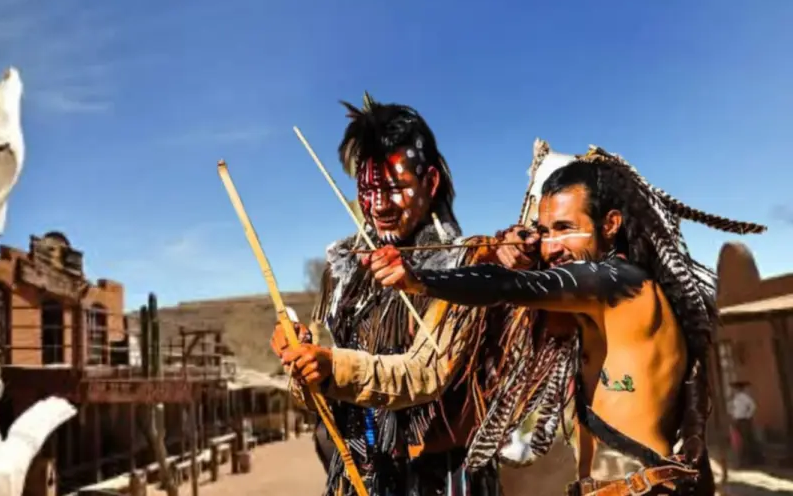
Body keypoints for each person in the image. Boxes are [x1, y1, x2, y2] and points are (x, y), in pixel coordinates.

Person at [282, 149, 764, 495]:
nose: (550, 246)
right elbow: (443, 360)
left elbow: (508, 285)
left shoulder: (623, 283)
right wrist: (327, 363)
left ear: (611, 225)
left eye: (565, 229)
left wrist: (420, 279)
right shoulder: (576, 319)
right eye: (543, 231)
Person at [275, 94, 555, 496]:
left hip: (442, 480)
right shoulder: (342, 273)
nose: (379, 206)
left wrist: (332, 366)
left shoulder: (463, 267)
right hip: (358, 478)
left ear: (430, 182)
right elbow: (318, 390)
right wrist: (301, 358)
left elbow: (426, 374)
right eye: (368, 190)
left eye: (395, 188)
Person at [728, 381, 759, 466]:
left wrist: (747, 416)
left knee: (745, 440)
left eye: (735, 389)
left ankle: (748, 461)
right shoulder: (735, 398)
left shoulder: (744, 397)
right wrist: (732, 415)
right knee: (738, 441)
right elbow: (733, 409)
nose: (734, 390)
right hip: (737, 420)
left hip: (743, 420)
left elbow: (753, 407)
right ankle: (740, 460)